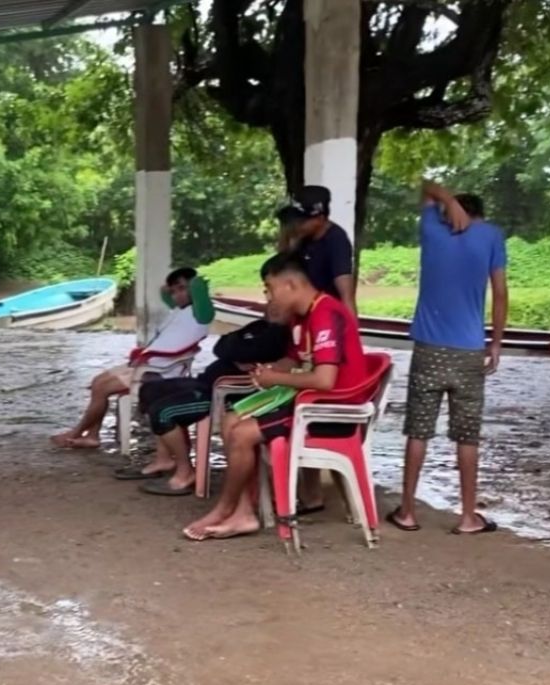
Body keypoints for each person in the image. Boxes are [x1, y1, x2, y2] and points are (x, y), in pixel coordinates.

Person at [183, 253, 367, 541]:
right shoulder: (301, 318)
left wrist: (276, 379)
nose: (268, 296)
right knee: (230, 418)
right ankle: (243, 512)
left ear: (290, 284)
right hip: (310, 402)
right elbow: (292, 361)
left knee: (242, 434)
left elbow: (324, 380)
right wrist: (269, 370)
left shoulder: (325, 313)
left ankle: (224, 509)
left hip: (331, 410)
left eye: (270, 288)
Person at [387, 181, 509, 535]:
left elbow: (425, 185)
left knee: (418, 431)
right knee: (467, 436)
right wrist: (495, 343)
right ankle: (468, 516)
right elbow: (500, 293)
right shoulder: (492, 236)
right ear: (480, 215)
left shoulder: (432, 229)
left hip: (428, 349)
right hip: (469, 351)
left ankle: (407, 512)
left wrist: (445, 200)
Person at [119, 318, 292, 496]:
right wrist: (236, 352)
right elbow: (222, 345)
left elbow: (239, 350)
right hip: (205, 382)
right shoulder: (260, 326)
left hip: (221, 393)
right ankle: (164, 459)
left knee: (163, 412)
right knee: (149, 390)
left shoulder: (279, 335)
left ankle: (185, 471)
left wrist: (236, 350)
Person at [51, 267, 212, 449]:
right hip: (150, 363)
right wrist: (175, 288)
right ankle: (92, 435)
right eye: (174, 291)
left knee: (102, 389)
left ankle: (77, 433)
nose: (177, 295)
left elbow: (199, 290)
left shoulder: (202, 314)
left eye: (182, 288)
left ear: (194, 289)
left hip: (159, 372)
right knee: (97, 382)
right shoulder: (180, 310)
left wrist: (196, 285)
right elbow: (164, 292)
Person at [276, 185, 357, 314]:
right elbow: (280, 268)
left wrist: (351, 325)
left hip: (326, 314)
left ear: (319, 219)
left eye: (302, 222)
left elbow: (346, 296)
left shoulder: (336, 240)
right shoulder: (302, 237)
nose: (297, 226)